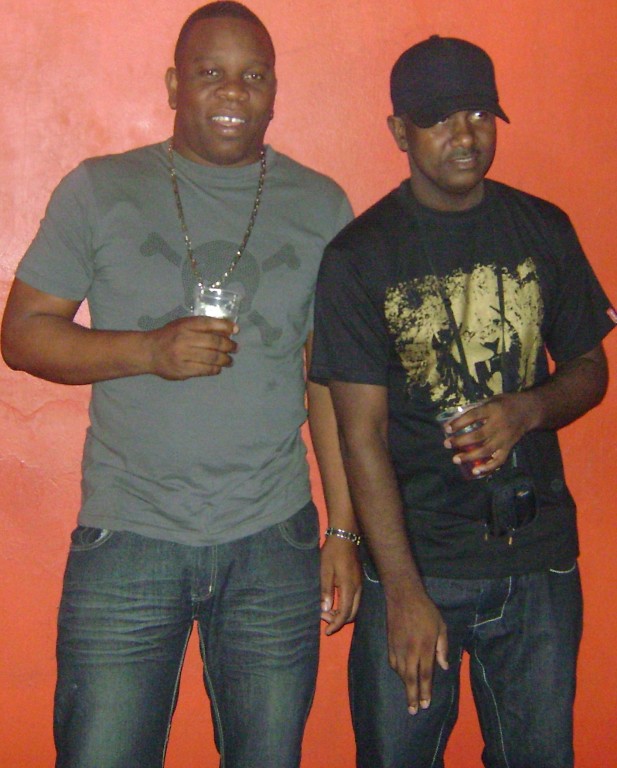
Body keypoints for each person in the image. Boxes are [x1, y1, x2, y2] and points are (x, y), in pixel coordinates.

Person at [1, 3, 362, 766]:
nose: (233, 92)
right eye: (209, 73)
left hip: (273, 539)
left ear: (273, 91)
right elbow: (22, 334)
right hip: (128, 533)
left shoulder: (322, 205)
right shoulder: (99, 190)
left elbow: (328, 383)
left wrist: (342, 528)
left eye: (253, 76)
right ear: (173, 85)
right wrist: (147, 350)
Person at [310, 34, 615, 768]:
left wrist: (526, 410)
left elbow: (589, 369)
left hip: (537, 561)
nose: (465, 134)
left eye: (479, 113)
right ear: (399, 132)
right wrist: (404, 593)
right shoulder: (359, 256)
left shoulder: (542, 227)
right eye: (439, 118)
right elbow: (359, 436)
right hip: (418, 562)